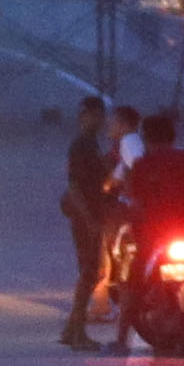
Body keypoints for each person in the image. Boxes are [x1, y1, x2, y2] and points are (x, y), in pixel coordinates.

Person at [57, 96, 120, 349]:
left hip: (91, 213)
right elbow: (74, 186)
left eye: (100, 116)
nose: (98, 120)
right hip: (86, 215)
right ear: (84, 117)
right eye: (93, 115)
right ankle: (77, 332)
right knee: (90, 271)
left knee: (92, 271)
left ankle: (71, 330)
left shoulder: (90, 144)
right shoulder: (81, 145)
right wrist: (89, 218)